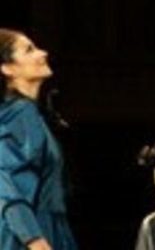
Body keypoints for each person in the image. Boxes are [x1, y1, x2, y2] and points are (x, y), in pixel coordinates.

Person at [0, 28, 77, 250]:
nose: (43, 53)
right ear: (7, 68)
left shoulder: (30, 114)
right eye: (29, 50)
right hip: (31, 233)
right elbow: (6, 183)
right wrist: (34, 239)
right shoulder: (20, 114)